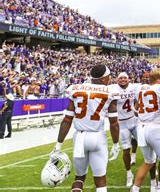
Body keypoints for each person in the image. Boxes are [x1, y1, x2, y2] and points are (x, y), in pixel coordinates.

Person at [49, 64, 120, 192]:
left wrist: (58, 144)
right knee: (100, 179)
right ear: (103, 79)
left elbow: (67, 119)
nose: (110, 80)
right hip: (97, 136)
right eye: (108, 77)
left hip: (80, 137)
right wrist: (115, 143)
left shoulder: (76, 89)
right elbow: (114, 123)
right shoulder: (110, 92)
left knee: (79, 177)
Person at [108, 72, 139, 187]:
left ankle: (150, 165)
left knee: (146, 144)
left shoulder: (134, 87)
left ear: (129, 79)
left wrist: (136, 109)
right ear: (117, 80)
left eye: (125, 78)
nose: (123, 79)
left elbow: (138, 100)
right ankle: (129, 173)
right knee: (126, 150)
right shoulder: (112, 89)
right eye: (120, 78)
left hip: (134, 120)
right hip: (121, 123)